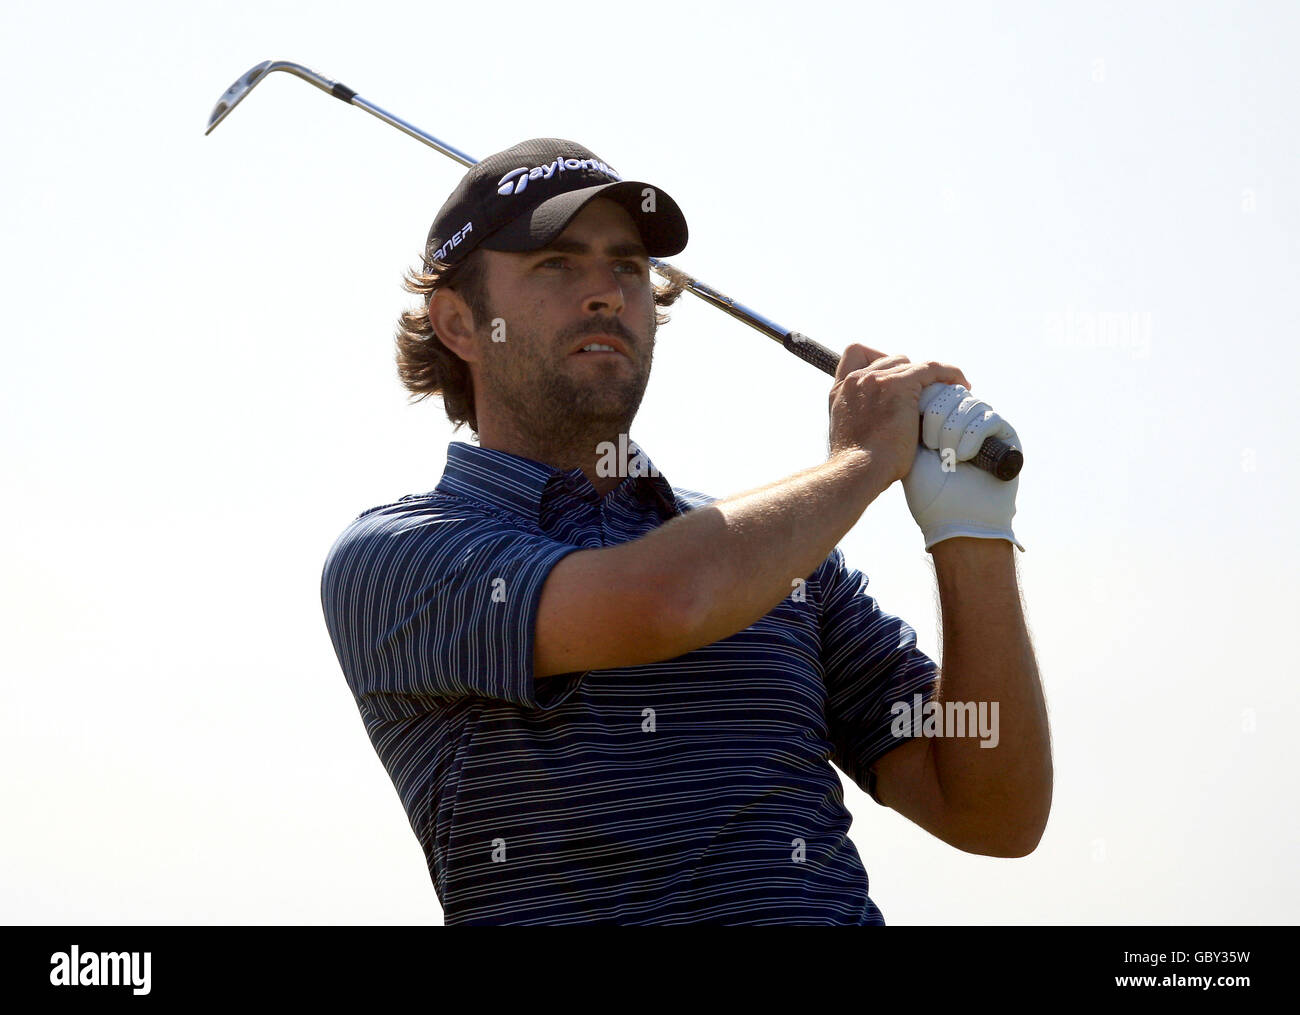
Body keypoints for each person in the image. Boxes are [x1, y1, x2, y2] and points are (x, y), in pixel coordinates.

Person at [320, 138, 1052, 925]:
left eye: (628, 266)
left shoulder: (784, 558)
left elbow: (993, 811)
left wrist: (970, 527)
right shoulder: (395, 559)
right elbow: (665, 599)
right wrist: (864, 460)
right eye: (558, 264)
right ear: (460, 322)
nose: (606, 293)